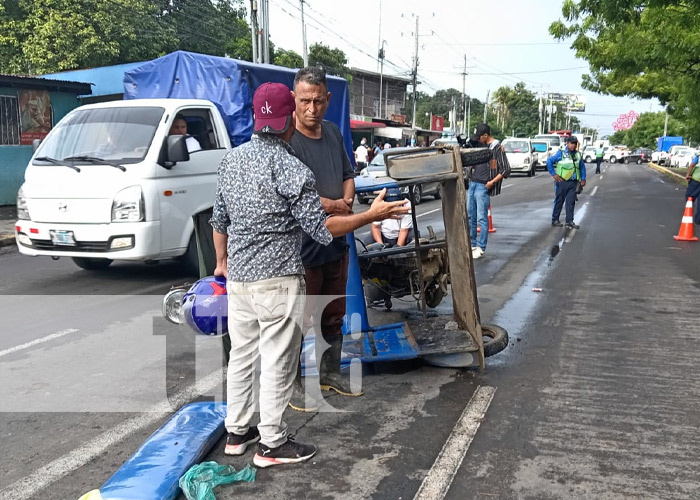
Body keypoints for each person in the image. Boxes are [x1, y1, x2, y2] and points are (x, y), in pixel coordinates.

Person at [210, 82, 409, 468]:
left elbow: (219, 220)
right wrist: (370, 217)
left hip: (240, 282)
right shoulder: (291, 168)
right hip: (278, 281)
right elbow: (321, 229)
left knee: (242, 357)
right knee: (278, 360)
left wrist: (222, 262)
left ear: (256, 118)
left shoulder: (231, 161)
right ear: (288, 123)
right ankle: (271, 443)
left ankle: (237, 434)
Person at [288, 66, 360, 412]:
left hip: (337, 244)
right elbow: (290, 196)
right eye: (305, 101)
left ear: (328, 100)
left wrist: (346, 202)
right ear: (294, 99)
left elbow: (349, 174)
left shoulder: (332, 133)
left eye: (318, 101)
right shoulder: (286, 140)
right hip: (302, 249)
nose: (312, 109)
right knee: (300, 320)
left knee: (333, 314)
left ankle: (330, 373)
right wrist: (333, 204)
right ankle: (294, 387)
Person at [468, 123, 510, 260]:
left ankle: (481, 247)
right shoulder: (480, 145)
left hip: (483, 185)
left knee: (482, 218)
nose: (478, 140)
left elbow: (505, 169)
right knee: (470, 216)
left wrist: (491, 183)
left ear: (485, 135)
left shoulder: (497, 148)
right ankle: (472, 244)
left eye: (480, 137)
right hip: (473, 182)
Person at [547, 135, 586, 229]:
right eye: (571, 143)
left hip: (573, 182)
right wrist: (554, 174)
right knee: (559, 201)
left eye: (575, 144)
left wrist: (583, 178)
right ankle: (555, 219)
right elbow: (549, 161)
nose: (573, 145)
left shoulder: (578, 154)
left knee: (571, 202)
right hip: (562, 182)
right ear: (567, 143)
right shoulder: (561, 153)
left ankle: (569, 221)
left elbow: (582, 167)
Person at [684, 153, 700, 224]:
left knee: (689, 197)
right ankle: (698, 220)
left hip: (696, 180)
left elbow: (692, 165)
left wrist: (687, 174)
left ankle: (688, 213)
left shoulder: (698, 155)